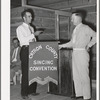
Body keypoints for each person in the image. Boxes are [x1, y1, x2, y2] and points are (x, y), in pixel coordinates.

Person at [59, 12, 96, 100]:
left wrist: (89, 45)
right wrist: (61, 46)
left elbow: (96, 36)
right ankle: (79, 93)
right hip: (75, 53)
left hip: (82, 53)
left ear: (79, 19)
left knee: (84, 75)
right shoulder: (75, 29)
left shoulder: (85, 28)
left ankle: (87, 96)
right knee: (76, 75)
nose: (71, 20)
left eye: (73, 18)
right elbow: (72, 43)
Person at [16, 9, 41, 99]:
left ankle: (32, 90)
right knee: (26, 72)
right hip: (26, 50)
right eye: (29, 16)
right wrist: (34, 34)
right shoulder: (20, 28)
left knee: (34, 70)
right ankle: (24, 93)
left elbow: (33, 40)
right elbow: (22, 40)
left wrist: (37, 45)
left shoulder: (31, 28)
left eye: (31, 16)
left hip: (33, 50)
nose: (31, 18)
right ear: (24, 18)